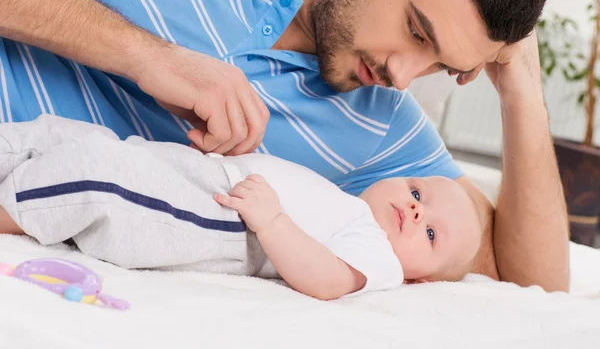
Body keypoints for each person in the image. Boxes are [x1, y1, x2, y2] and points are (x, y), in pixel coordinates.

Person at [0, 0, 568, 292]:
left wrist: (520, 88)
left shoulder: (384, 124)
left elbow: (531, 281)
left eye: (441, 65)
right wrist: (143, 56)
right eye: (417, 30)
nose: (403, 75)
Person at [0, 115, 481, 300]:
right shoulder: (346, 204)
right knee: (66, 136)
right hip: (200, 175)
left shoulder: (379, 257)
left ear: (422, 279)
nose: (416, 212)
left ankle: (9, 210)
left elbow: (328, 280)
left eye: (431, 234)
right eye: (418, 194)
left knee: (100, 177)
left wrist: (271, 220)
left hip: (223, 223)